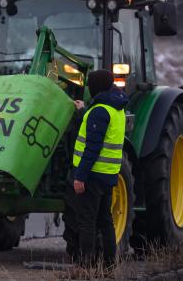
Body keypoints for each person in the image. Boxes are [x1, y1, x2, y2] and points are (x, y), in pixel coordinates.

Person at [69, 69, 128, 271]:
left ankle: (86, 266)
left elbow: (92, 148)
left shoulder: (100, 111)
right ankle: (110, 266)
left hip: (93, 176)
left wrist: (80, 176)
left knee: (87, 222)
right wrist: (85, 110)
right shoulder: (116, 108)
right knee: (105, 221)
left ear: (95, 87)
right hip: (108, 174)